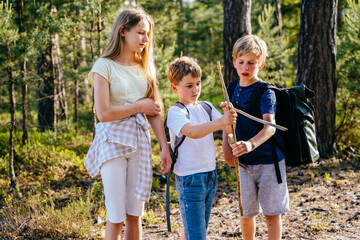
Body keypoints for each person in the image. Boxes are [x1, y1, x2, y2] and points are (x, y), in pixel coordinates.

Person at [84, 9, 172, 240]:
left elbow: (153, 111)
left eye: (148, 34)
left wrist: (164, 147)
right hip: (112, 142)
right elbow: (103, 113)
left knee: (135, 214)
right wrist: (139, 106)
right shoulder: (104, 66)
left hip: (139, 144)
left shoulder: (145, 68)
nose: (146, 39)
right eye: (141, 33)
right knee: (116, 215)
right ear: (123, 31)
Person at [222, 34, 289, 240]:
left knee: (271, 213)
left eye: (251, 63)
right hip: (244, 163)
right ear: (234, 62)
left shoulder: (265, 91)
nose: (245, 67)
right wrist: (226, 148)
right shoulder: (232, 88)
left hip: (269, 162)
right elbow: (227, 123)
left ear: (260, 64)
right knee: (246, 212)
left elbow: (270, 127)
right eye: (241, 62)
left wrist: (251, 144)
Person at [166, 56, 237, 240]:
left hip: (209, 174)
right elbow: (192, 132)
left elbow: (226, 128)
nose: (195, 89)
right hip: (190, 178)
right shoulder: (177, 111)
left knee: (196, 230)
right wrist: (221, 120)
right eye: (189, 86)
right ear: (175, 88)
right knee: (196, 234)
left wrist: (229, 116)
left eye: (198, 83)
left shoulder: (206, 107)